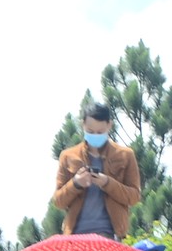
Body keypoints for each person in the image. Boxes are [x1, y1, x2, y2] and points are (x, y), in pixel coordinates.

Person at [54, 102, 143, 239]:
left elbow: (134, 197)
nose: (95, 135)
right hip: (75, 235)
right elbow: (59, 201)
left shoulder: (125, 155)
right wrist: (76, 183)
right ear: (83, 125)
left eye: (100, 132)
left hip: (109, 234)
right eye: (90, 131)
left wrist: (107, 183)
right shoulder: (68, 156)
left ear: (109, 125)